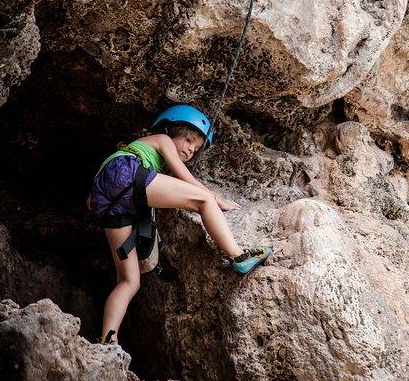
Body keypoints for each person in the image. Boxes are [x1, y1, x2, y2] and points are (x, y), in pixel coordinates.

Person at [88, 104, 272, 344]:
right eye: (188, 139)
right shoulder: (162, 138)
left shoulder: (139, 151)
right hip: (127, 173)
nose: (190, 150)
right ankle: (238, 256)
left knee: (129, 280)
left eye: (195, 149)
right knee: (203, 199)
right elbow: (184, 175)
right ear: (169, 128)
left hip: (106, 198)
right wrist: (217, 198)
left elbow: (92, 201)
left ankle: (107, 340)